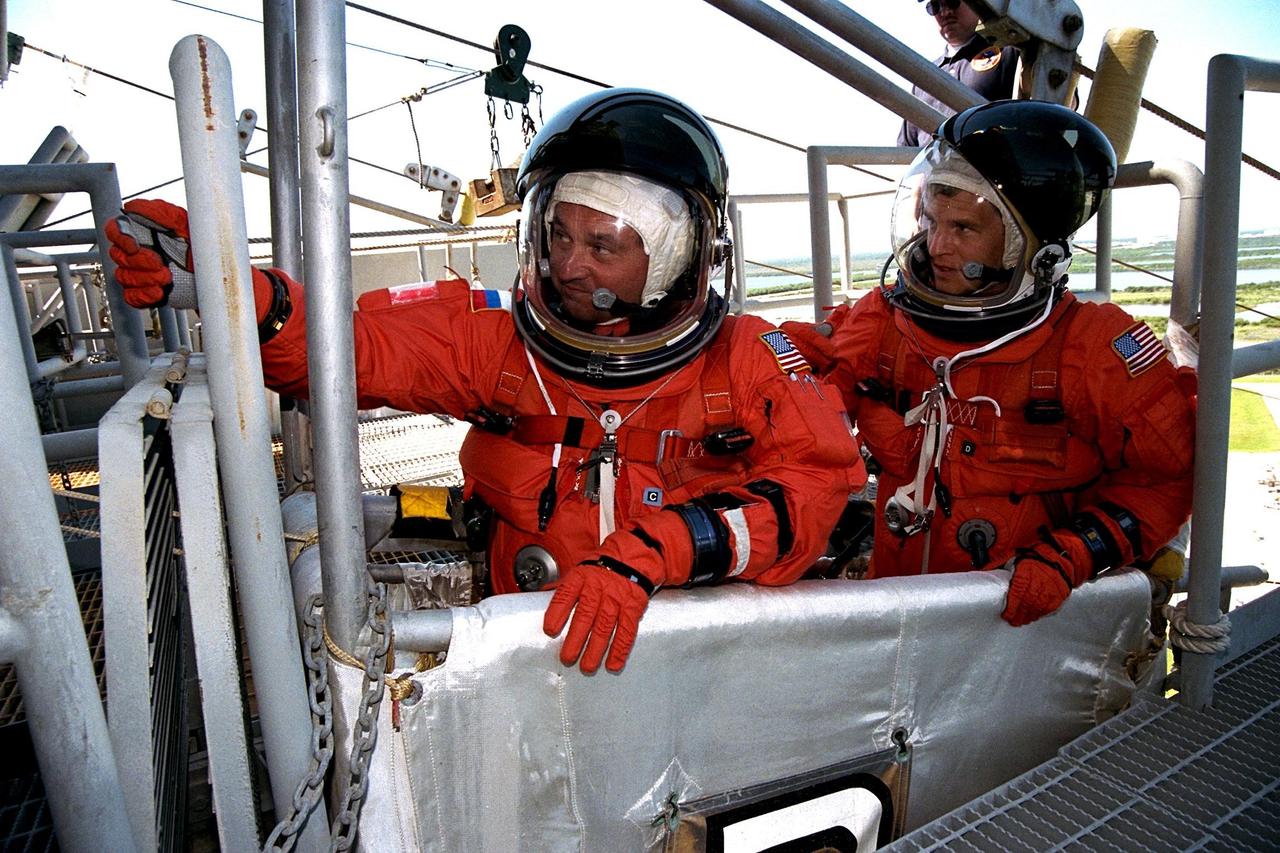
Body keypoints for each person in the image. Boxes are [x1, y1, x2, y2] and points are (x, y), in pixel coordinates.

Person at [106, 88, 865, 674]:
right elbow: (349, 351)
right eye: (560, 235)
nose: (571, 266)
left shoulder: (748, 357)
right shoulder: (499, 343)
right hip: (525, 653)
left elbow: (815, 491)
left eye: (604, 245)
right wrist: (246, 294)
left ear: (673, 257)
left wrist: (654, 551)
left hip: (699, 663)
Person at [784, 100, 1196, 626]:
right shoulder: (881, 323)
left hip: (1023, 616)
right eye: (930, 221)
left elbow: (1166, 480)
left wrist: (1074, 554)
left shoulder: (1092, 351)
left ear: (1031, 247)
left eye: (963, 229)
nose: (936, 246)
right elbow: (794, 390)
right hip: (900, 605)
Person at [898, 0, 1019, 148]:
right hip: (934, 170)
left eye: (952, 2)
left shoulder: (1009, 53)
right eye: (935, 6)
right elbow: (906, 147)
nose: (944, 12)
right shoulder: (924, 77)